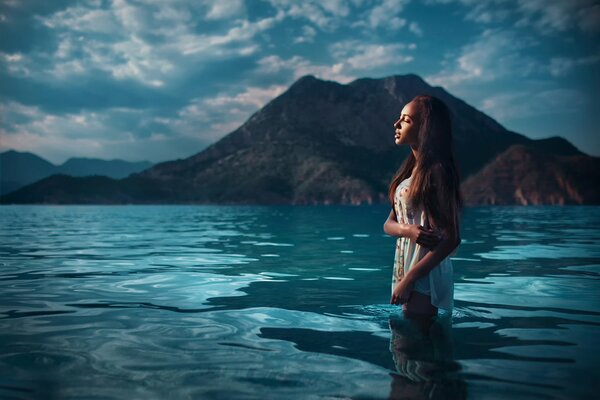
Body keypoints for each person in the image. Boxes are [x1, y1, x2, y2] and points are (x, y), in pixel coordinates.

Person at [383, 95, 462, 317]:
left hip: (423, 275)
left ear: (426, 128)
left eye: (406, 120)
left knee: (411, 347)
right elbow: (388, 224)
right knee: (408, 346)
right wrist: (408, 230)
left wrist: (409, 279)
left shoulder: (437, 171)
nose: (396, 124)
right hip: (409, 270)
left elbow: (452, 238)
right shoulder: (411, 173)